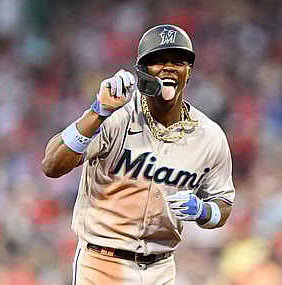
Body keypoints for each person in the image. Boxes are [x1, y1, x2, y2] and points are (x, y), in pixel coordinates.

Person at [42, 24, 235, 285]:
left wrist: (204, 211)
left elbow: (223, 202)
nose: (168, 67)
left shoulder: (209, 136)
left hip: (162, 268)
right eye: (157, 61)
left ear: (189, 72)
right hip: (102, 264)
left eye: (178, 61)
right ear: (142, 71)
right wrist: (98, 111)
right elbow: (52, 165)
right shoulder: (116, 118)